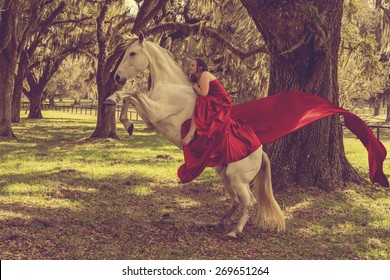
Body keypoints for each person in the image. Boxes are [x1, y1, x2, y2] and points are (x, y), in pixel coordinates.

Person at [178, 57, 261, 183]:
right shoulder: (198, 77)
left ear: (200, 67)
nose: (190, 67)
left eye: (193, 65)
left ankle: (191, 133)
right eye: (190, 65)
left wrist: (195, 86)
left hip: (221, 102)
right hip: (214, 100)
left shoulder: (204, 74)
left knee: (200, 101)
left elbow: (204, 93)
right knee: (200, 102)